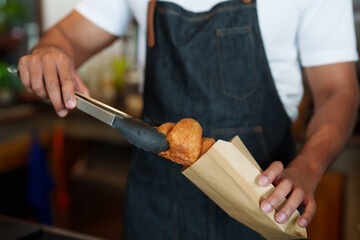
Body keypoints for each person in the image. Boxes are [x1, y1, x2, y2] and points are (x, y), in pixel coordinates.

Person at [18, 0, 359, 239]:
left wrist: (309, 167)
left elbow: (338, 90)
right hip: (155, 208)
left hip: (262, 206)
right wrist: (49, 52)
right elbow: (66, 38)